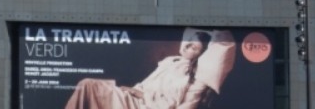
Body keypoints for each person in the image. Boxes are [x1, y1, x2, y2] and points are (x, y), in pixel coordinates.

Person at [65, 32, 212, 109]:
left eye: (193, 47)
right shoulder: (170, 61)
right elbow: (147, 82)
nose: (186, 46)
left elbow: (170, 103)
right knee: (88, 84)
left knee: (88, 85)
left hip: (142, 105)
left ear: (200, 54)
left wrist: (141, 94)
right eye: (189, 40)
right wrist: (133, 90)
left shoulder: (186, 72)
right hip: (134, 95)